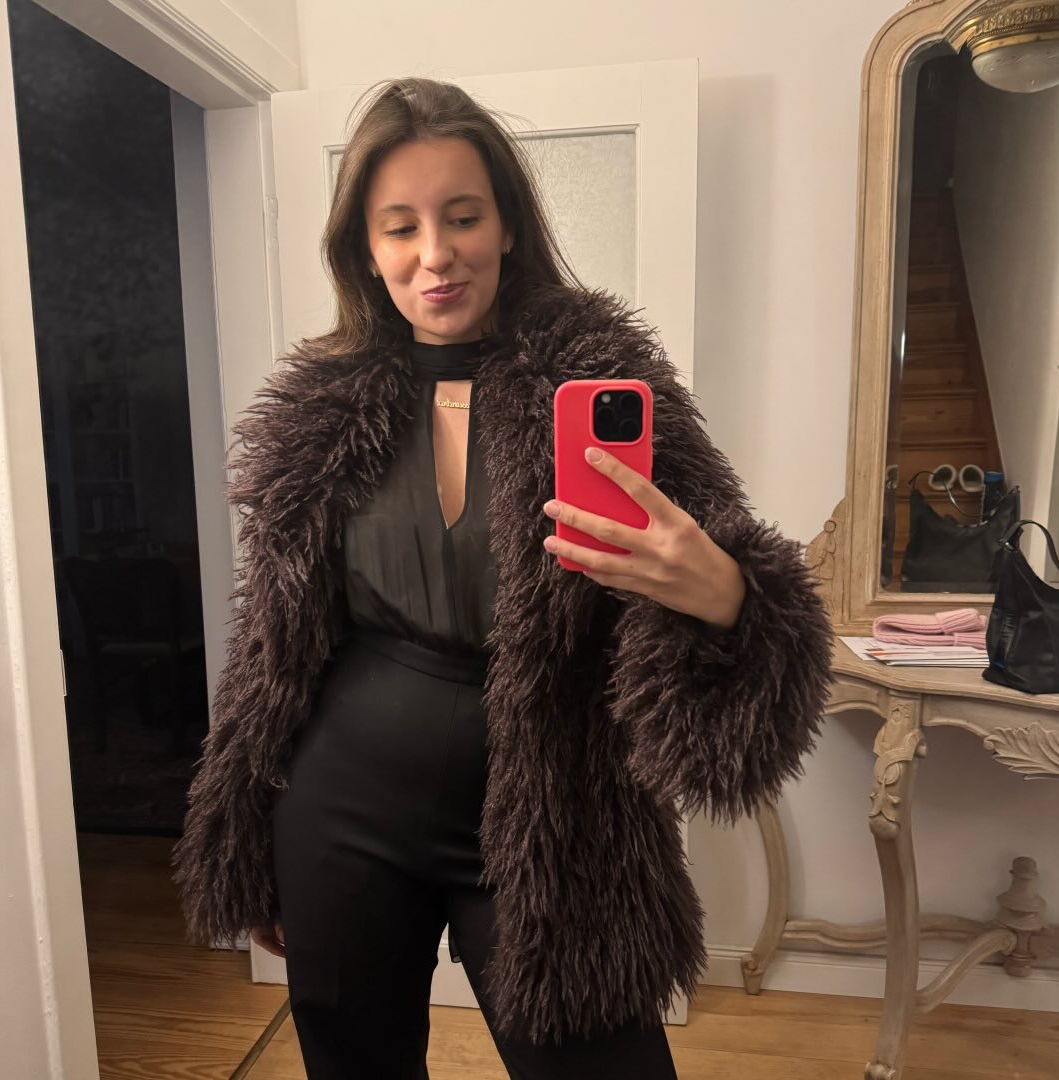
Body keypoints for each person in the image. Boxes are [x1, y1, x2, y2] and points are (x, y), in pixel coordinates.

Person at [172, 76, 833, 1080]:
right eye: (400, 227)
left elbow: (725, 573)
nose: (435, 254)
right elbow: (274, 647)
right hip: (341, 807)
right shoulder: (317, 415)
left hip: (558, 809)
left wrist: (731, 598)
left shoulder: (602, 378)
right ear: (365, 250)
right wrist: (252, 830)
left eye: (462, 216)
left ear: (509, 225)